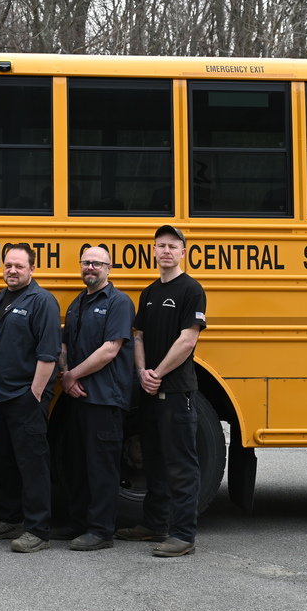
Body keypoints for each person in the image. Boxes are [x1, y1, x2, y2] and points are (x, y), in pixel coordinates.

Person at [115, 225, 207, 558]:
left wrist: (158, 373)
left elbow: (188, 340)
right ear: (153, 251)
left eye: (172, 246)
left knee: (181, 464)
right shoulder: (150, 292)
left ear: (184, 252)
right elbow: (138, 336)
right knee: (153, 460)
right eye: (160, 246)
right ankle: (155, 525)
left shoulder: (191, 290)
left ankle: (183, 535)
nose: (166, 250)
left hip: (177, 391)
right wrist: (142, 372)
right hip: (151, 390)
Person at [0, 243, 61, 553]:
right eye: (8, 265)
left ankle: (38, 529)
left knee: (32, 463)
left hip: (24, 396)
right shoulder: (0, 298)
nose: (12, 270)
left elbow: (48, 354)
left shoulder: (42, 302)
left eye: (19, 266)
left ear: (32, 269)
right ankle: (9, 518)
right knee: (4, 461)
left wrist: (33, 396)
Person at [57, 245, 135, 551]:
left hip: (105, 399)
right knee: (77, 464)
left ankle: (101, 531)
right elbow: (64, 344)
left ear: (109, 268)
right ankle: (78, 523)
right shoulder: (77, 303)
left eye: (97, 263)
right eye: (86, 262)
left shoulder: (118, 302)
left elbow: (109, 350)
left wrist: (72, 375)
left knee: (102, 467)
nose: (91, 267)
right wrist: (67, 376)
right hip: (77, 397)